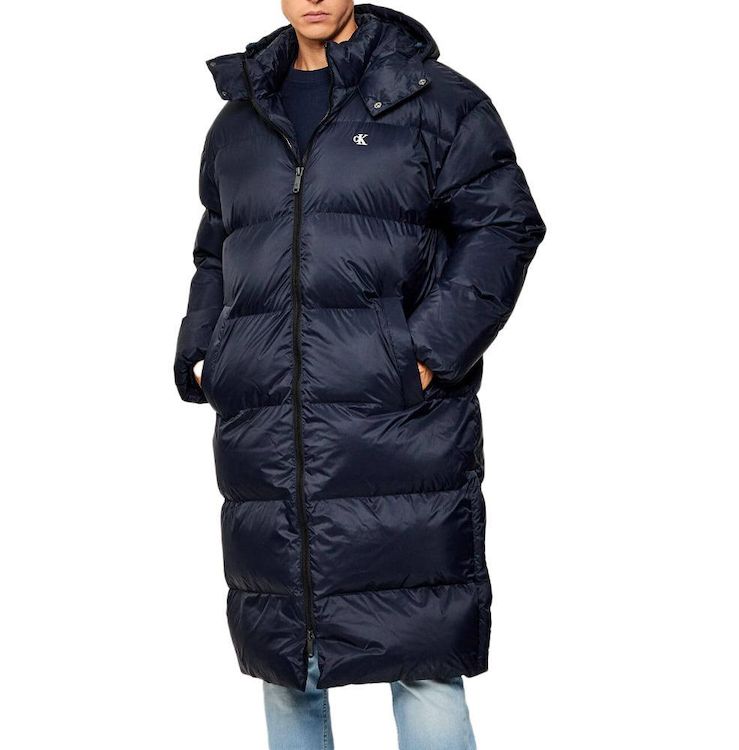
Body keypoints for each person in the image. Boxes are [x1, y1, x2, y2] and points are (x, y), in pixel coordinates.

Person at [174, 1, 545, 747]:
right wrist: (207, 352)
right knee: (288, 656)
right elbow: (218, 249)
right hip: (267, 425)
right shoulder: (240, 120)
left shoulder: (436, 100)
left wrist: (427, 353)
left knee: (423, 650)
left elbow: (503, 225)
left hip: (397, 419)